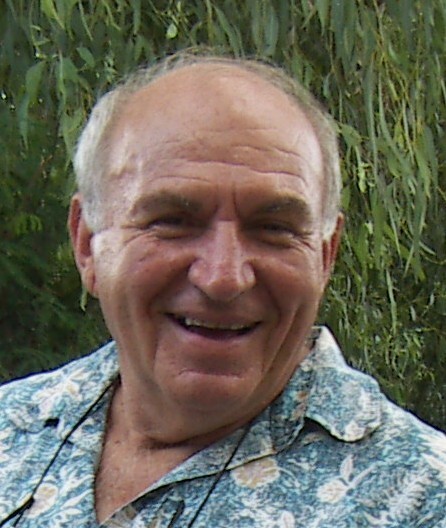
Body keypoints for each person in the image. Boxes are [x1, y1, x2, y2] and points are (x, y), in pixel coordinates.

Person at [0, 50, 444, 528]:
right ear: (87, 243)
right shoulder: (11, 428)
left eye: (273, 228)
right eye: (173, 221)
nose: (223, 277)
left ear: (325, 256)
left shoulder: (420, 498)